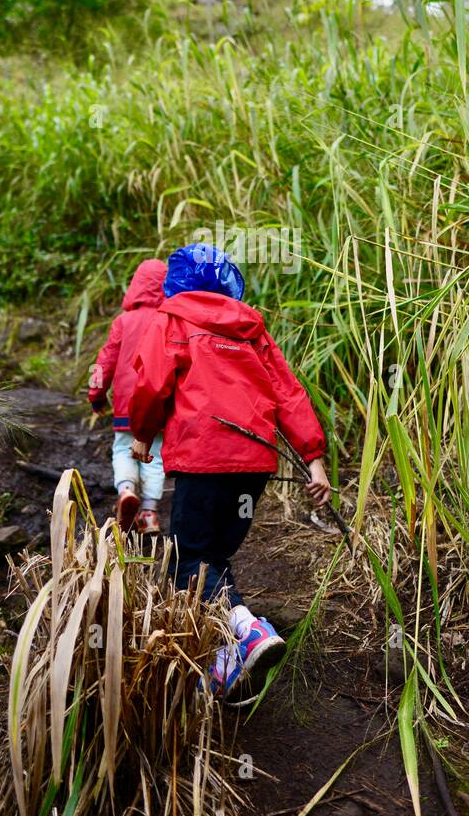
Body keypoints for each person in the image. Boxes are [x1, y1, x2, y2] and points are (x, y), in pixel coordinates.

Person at [129, 242, 332, 697]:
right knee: (212, 558)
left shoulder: (172, 319)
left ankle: (248, 629)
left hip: (205, 457)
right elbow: (289, 394)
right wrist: (314, 459)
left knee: (185, 557)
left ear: (178, 281)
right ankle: (224, 661)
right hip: (254, 462)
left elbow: (150, 383)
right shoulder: (251, 329)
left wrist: (142, 432)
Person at [87, 257, 168, 533]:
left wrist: (96, 394)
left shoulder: (123, 321)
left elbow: (104, 361)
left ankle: (125, 490)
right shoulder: (169, 320)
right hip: (158, 404)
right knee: (154, 455)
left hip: (125, 404)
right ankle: (149, 513)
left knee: (123, 449)